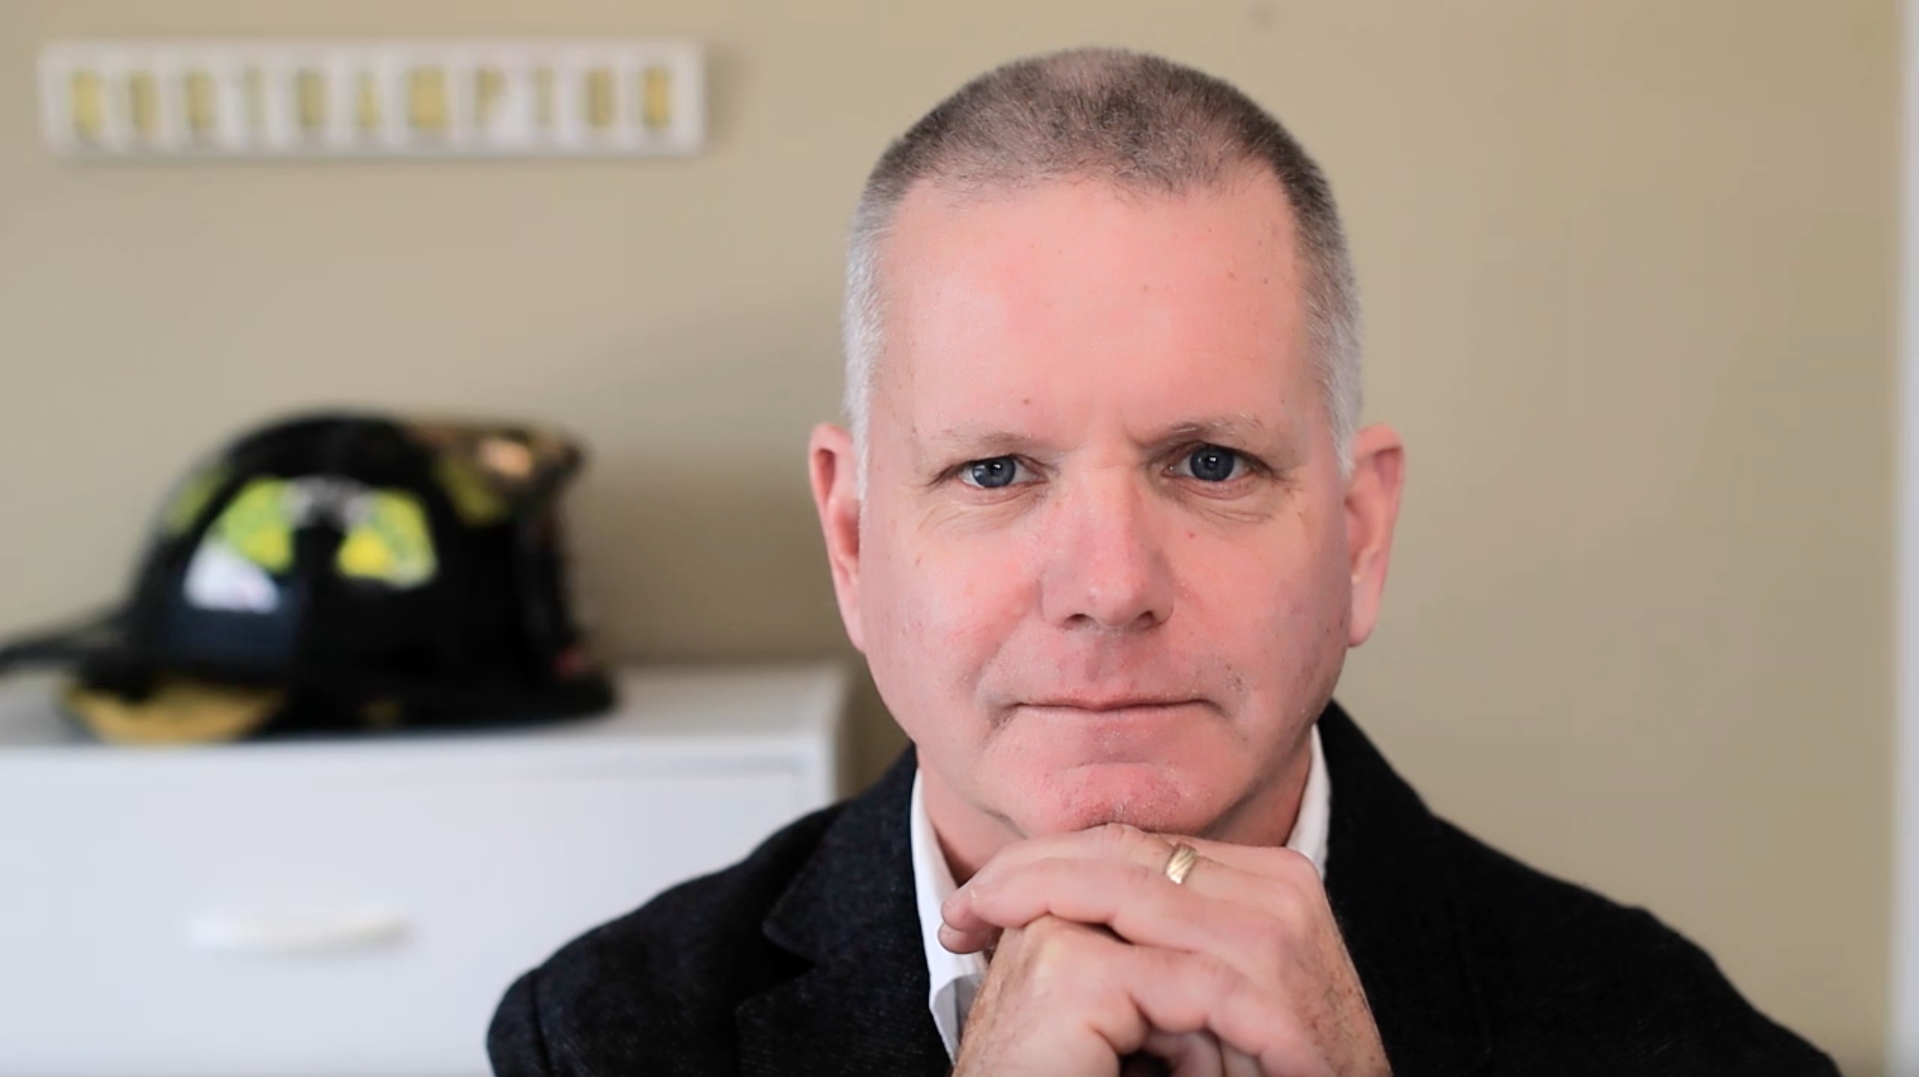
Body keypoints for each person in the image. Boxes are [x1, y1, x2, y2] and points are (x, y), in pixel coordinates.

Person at [487, 47, 1836, 1075]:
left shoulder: (1669, 1038)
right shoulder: (599, 1038)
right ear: (852, 539)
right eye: (994, 470)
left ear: (1360, 536)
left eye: (1210, 463)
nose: (1108, 586)